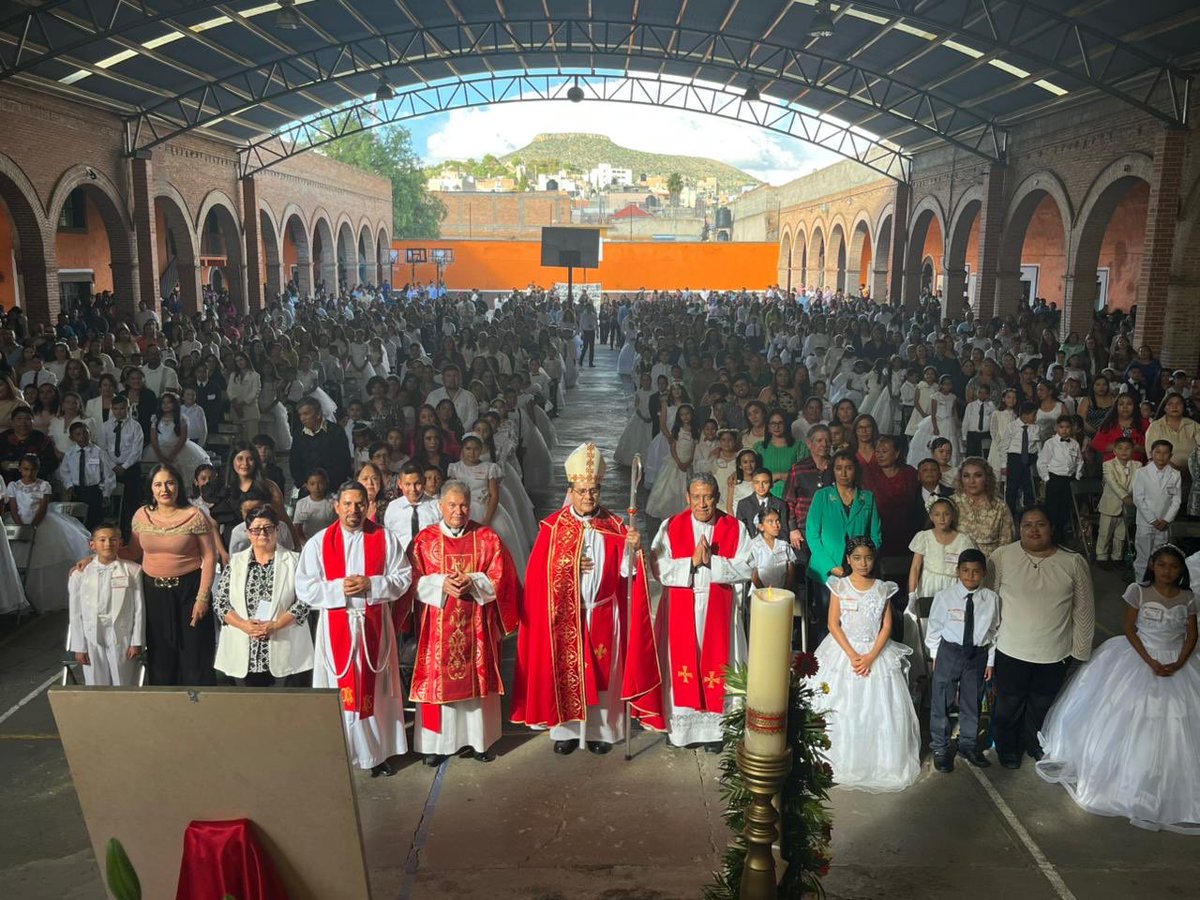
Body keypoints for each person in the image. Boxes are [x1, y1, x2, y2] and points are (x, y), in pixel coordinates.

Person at [1037, 544, 1200, 833]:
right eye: (1162, 565)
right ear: (1152, 566)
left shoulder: (1188, 597)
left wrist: (1178, 662)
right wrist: (1150, 660)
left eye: (1174, 566)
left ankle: (1168, 781)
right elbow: (1129, 628)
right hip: (1139, 656)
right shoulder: (1138, 591)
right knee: (1127, 716)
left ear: (1181, 571)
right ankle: (1131, 776)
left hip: (1177, 660)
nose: (1167, 571)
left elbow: (1191, 635)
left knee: (1178, 721)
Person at [512, 442, 662, 754]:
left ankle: (601, 734)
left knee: (604, 677)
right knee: (567, 674)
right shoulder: (553, 528)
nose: (588, 497)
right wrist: (568, 563)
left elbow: (628, 577)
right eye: (581, 491)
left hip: (604, 613)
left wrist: (633, 550)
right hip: (566, 615)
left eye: (593, 490)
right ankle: (565, 733)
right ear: (571, 490)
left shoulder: (617, 526)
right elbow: (538, 576)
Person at [296, 480, 412, 777]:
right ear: (337, 507)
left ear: (368, 506)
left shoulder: (384, 539)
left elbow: (403, 577)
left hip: (373, 625)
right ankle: (341, 753)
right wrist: (340, 589)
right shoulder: (319, 542)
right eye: (347, 504)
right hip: (337, 625)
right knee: (340, 692)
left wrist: (372, 584)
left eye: (359, 503)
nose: (353, 510)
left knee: (376, 692)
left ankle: (376, 754)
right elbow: (305, 587)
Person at [403, 480, 520, 766]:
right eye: (452, 505)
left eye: (464, 505)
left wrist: (474, 580)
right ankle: (436, 745)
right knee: (437, 683)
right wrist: (441, 583)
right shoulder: (424, 540)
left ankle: (479, 741)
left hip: (477, 629)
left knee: (477, 684)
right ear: (441, 506)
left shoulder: (487, 538)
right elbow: (410, 580)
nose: (458, 511)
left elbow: (503, 578)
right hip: (436, 629)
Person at [805, 536, 920, 792]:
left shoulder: (882, 588)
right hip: (843, 651)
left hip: (874, 652)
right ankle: (835, 760)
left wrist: (870, 657)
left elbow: (887, 625)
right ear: (848, 560)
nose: (863, 563)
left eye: (868, 557)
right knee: (840, 705)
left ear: (874, 558)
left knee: (877, 710)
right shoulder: (839, 586)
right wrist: (851, 654)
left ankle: (878, 763)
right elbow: (832, 624)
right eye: (857, 558)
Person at [648, 473, 753, 750]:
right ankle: (682, 732)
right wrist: (691, 563)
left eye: (708, 497)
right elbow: (657, 566)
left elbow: (747, 566)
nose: (702, 503)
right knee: (683, 668)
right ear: (687, 498)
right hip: (684, 606)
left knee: (721, 665)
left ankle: (717, 733)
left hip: (720, 609)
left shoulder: (735, 527)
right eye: (696, 497)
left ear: (717, 497)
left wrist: (713, 562)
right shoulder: (671, 526)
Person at [988, 505, 1094, 768]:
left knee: (1042, 704)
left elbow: (1083, 610)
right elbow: (987, 603)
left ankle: (1034, 744)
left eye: (1041, 524)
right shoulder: (1001, 557)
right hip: (1011, 649)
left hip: (1054, 651)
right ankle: (1007, 748)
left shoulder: (1073, 562)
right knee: (1008, 705)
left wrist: (1079, 653)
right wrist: (986, 649)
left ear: (1052, 528)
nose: (1034, 530)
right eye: (1027, 525)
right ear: (1019, 528)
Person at [119, 462, 219, 684]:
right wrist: (97, 556)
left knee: (195, 657)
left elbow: (210, 557)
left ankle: (199, 710)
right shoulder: (141, 516)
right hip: (152, 594)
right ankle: (165, 712)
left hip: (189, 592)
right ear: (151, 489)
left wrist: (202, 598)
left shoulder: (194, 515)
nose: (164, 489)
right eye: (158, 484)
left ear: (179, 486)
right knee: (161, 657)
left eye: (170, 483)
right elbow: (133, 551)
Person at [213, 506, 314, 687]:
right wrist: (245, 625)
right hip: (245, 647)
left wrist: (275, 625)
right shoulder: (236, 562)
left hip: (285, 644)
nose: (262, 533)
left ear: (277, 529)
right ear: (248, 532)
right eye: (256, 529)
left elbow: (304, 601)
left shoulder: (295, 561)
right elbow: (221, 603)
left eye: (268, 528)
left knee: (286, 708)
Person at [926, 548, 998, 772]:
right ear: (957, 571)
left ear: (984, 573)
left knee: (972, 702)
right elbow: (934, 627)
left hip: (977, 655)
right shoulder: (945, 596)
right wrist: (935, 656)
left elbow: (994, 631)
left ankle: (968, 744)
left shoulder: (991, 599)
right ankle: (940, 746)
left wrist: (990, 662)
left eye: (976, 571)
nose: (970, 576)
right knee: (942, 701)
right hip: (950, 652)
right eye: (965, 570)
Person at [805, 450, 882, 643]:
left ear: (856, 470)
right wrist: (831, 567)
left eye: (848, 468)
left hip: (860, 571)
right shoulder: (822, 496)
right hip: (827, 571)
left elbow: (876, 536)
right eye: (838, 468)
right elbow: (813, 536)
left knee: (857, 622)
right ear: (833, 471)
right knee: (826, 622)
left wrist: (863, 563)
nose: (843, 473)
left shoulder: (867, 497)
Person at [5, 452, 92, 611]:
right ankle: (21, 598)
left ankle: (42, 597)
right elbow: (13, 508)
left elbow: (43, 508)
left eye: (33, 470)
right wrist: (21, 527)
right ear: (20, 469)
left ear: (38, 470)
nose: (29, 473)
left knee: (44, 558)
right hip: (20, 523)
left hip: (40, 522)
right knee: (18, 559)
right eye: (25, 469)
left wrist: (33, 526)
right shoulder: (13, 486)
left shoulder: (44, 485)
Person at [67, 523, 144, 686]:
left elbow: (139, 609)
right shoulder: (79, 574)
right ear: (92, 544)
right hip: (91, 634)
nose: (108, 544)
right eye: (102, 540)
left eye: (113, 540)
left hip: (122, 633)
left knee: (123, 680)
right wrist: (79, 646)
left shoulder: (133, 570)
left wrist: (136, 641)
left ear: (120, 543)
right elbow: (75, 613)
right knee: (95, 681)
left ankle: (124, 711)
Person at [1132, 440, 1181, 574]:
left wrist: (1166, 520)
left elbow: (1176, 500)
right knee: (1143, 556)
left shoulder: (1175, 475)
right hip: (1145, 522)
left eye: (1165, 453)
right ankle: (1141, 584)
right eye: (1158, 452)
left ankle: (1156, 584)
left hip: (1164, 522)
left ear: (1170, 456)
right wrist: (1152, 520)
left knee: (1160, 556)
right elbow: (1138, 498)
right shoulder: (1141, 473)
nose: (1161, 456)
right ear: (1151, 454)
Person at [59, 421, 116, 530]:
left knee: (94, 523)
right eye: (78, 434)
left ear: (90, 433)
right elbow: (65, 472)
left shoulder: (99, 452)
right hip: (77, 491)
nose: (83, 436)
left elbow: (109, 475)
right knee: (76, 524)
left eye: (85, 433)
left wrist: (106, 494)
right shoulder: (70, 453)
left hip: (94, 491)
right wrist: (69, 486)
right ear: (72, 438)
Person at [290, 398, 352, 496]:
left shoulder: (335, 431)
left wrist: (327, 485)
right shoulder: (298, 434)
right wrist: (303, 483)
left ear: (318, 414)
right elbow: (294, 462)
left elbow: (343, 461)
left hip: (332, 488)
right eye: (300, 415)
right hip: (307, 489)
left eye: (306, 414)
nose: (302, 418)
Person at [101, 394, 144, 536]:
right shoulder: (106, 427)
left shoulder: (135, 426)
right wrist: (113, 466)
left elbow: (136, 450)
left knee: (130, 503)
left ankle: (129, 535)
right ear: (112, 409)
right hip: (111, 468)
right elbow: (102, 449)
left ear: (128, 408)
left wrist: (124, 467)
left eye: (122, 408)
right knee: (109, 502)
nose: (119, 412)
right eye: (116, 409)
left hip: (130, 469)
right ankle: (109, 533)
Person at [1037, 414, 1084, 543]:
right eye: (1061, 427)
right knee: (1052, 508)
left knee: (1065, 507)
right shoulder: (1050, 443)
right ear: (1056, 428)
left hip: (1069, 480)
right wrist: (1047, 478)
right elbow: (1042, 462)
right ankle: (1051, 534)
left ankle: (1061, 532)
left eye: (1068, 427)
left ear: (1072, 428)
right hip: (1054, 479)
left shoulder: (1074, 444)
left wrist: (1078, 476)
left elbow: (1080, 461)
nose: (1064, 430)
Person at [1096, 437, 1140, 567]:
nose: (1124, 451)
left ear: (1133, 450)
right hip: (1110, 504)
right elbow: (1112, 483)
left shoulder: (1138, 465)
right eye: (1120, 448)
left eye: (1128, 448)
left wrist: (1129, 496)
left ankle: (1117, 557)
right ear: (1114, 451)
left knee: (1121, 534)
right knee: (1105, 532)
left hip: (1128, 505)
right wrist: (1125, 496)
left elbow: (1135, 482)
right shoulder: (1108, 465)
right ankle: (1101, 556)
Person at [382, 462, 443, 554]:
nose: (413, 489)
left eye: (417, 483)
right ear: (400, 484)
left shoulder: (437, 506)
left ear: (424, 481)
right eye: (407, 484)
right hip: (401, 560)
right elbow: (388, 538)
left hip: (429, 559)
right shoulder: (393, 508)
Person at [1002, 402, 1041, 512]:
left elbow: (1038, 446)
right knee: (1012, 488)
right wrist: (1003, 465)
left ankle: (1029, 511)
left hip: (1030, 458)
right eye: (1034, 415)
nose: (1035, 417)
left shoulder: (1035, 428)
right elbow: (1004, 447)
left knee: (1029, 486)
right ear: (1025, 415)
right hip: (1015, 459)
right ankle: (1010, 513)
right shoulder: (1012, 427)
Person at [749, 507, 796, 590]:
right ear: (761, 526)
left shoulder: (784, 545)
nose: (776, 525)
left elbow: (790, 571)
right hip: (760, 594)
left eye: (778, 521)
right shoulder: (755, 546)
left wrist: (785, 590)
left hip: (782, 593)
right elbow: (754, 576)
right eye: (770, 522)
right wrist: (767, 594)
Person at [293, 468, 337, 543]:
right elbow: (297, 528)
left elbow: (336, 527)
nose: (316, 487)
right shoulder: (301, 503)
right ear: (306, 485)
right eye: (312, 484)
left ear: (326, 484)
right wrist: (305, 543)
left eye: (320, 483)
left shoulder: (332, 504)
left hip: (327, 542)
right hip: (306, 542)